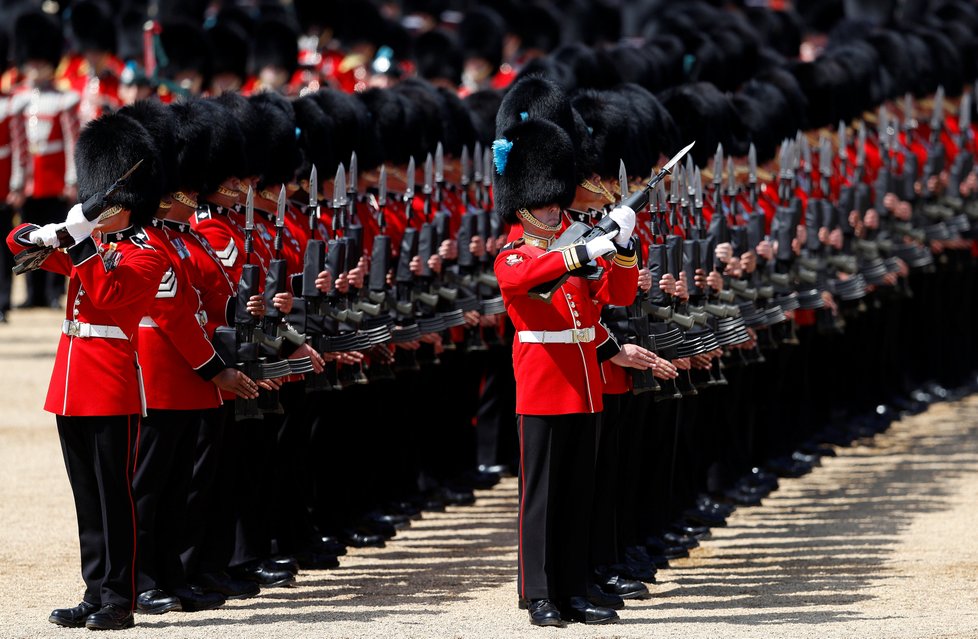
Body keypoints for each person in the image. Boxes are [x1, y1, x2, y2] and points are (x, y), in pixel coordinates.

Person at [6, 102, 168, 631]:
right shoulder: (90, 242)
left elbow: (106, 295)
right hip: (72, 385)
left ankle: (120, 598)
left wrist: (77, 243)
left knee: (114, 498)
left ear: (129, 206)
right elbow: (16, 243)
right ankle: (94, 589)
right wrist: (47, 233)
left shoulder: (148, 255)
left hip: (112, 385)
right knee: (85, 498)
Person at [491, 115, 638, 627]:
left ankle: (574, 586)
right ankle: (538, 593)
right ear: (522, 206)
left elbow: (615, 298)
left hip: (584, 382)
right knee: (541, 497)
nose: (555, 209)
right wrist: (582, 249)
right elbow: (528, 277)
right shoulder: (513, 254)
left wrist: (622, 249)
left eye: (556, 200)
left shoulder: (569, 249)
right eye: (545, 202)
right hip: (542, 382)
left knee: (579, 493)